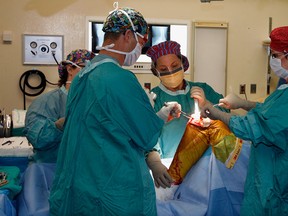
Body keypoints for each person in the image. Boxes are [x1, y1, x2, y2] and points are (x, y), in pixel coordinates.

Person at [49, 5, 177, 216]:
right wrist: (160, 117)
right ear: (127, 35)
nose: (141, 49)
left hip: (82, 186)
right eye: (142, 41)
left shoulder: (82, 76)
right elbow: (146, 136)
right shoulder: (120, 78)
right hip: (114, 189)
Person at [191, 26, 288, 216]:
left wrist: (217, 113)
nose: (273, 61)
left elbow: (260, 127)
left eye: (275, 56)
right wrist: (243, 103)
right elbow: (269, 113)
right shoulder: (283, 89)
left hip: (277, 185)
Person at [145, 40, 230, 189]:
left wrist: (207, 104)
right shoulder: (153, 99)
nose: (170, 72)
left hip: (205, 165)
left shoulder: (203, 89)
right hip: (170, 167)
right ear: (155, 71)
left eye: (175, 66)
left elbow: (228, 119)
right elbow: (146, 138)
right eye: (163, 68)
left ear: (183, 64)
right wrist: (155, 164)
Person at [23, 49, 95, 163]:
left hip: (85, 171)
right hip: (50, 170)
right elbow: (36, 138)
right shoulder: (45, 102)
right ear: (70, 69)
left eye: (94, 69)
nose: (91, 73)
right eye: (86, 67)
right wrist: (57, 126)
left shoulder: (94, 102)